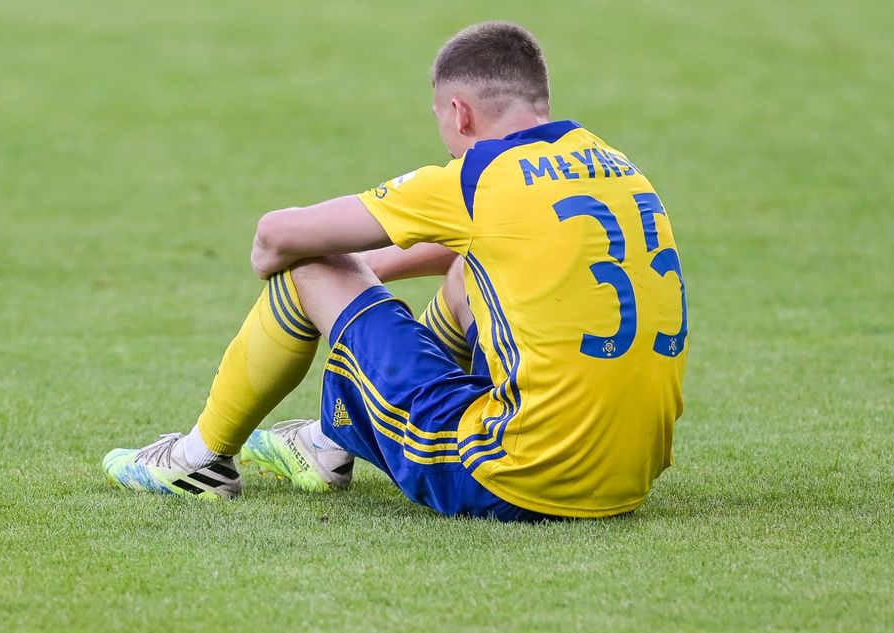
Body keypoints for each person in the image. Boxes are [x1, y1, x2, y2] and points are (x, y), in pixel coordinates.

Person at [102, 21, 688, 521]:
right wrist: (362, 280)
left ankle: (199, 460)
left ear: (459, 113)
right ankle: (331, 440)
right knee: (466, 272)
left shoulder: (479, 176)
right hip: (627, 477)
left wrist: (336, 279)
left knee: (307, 266)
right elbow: (486, 247)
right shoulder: (619, 167)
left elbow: (274, 238)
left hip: (514, 478)